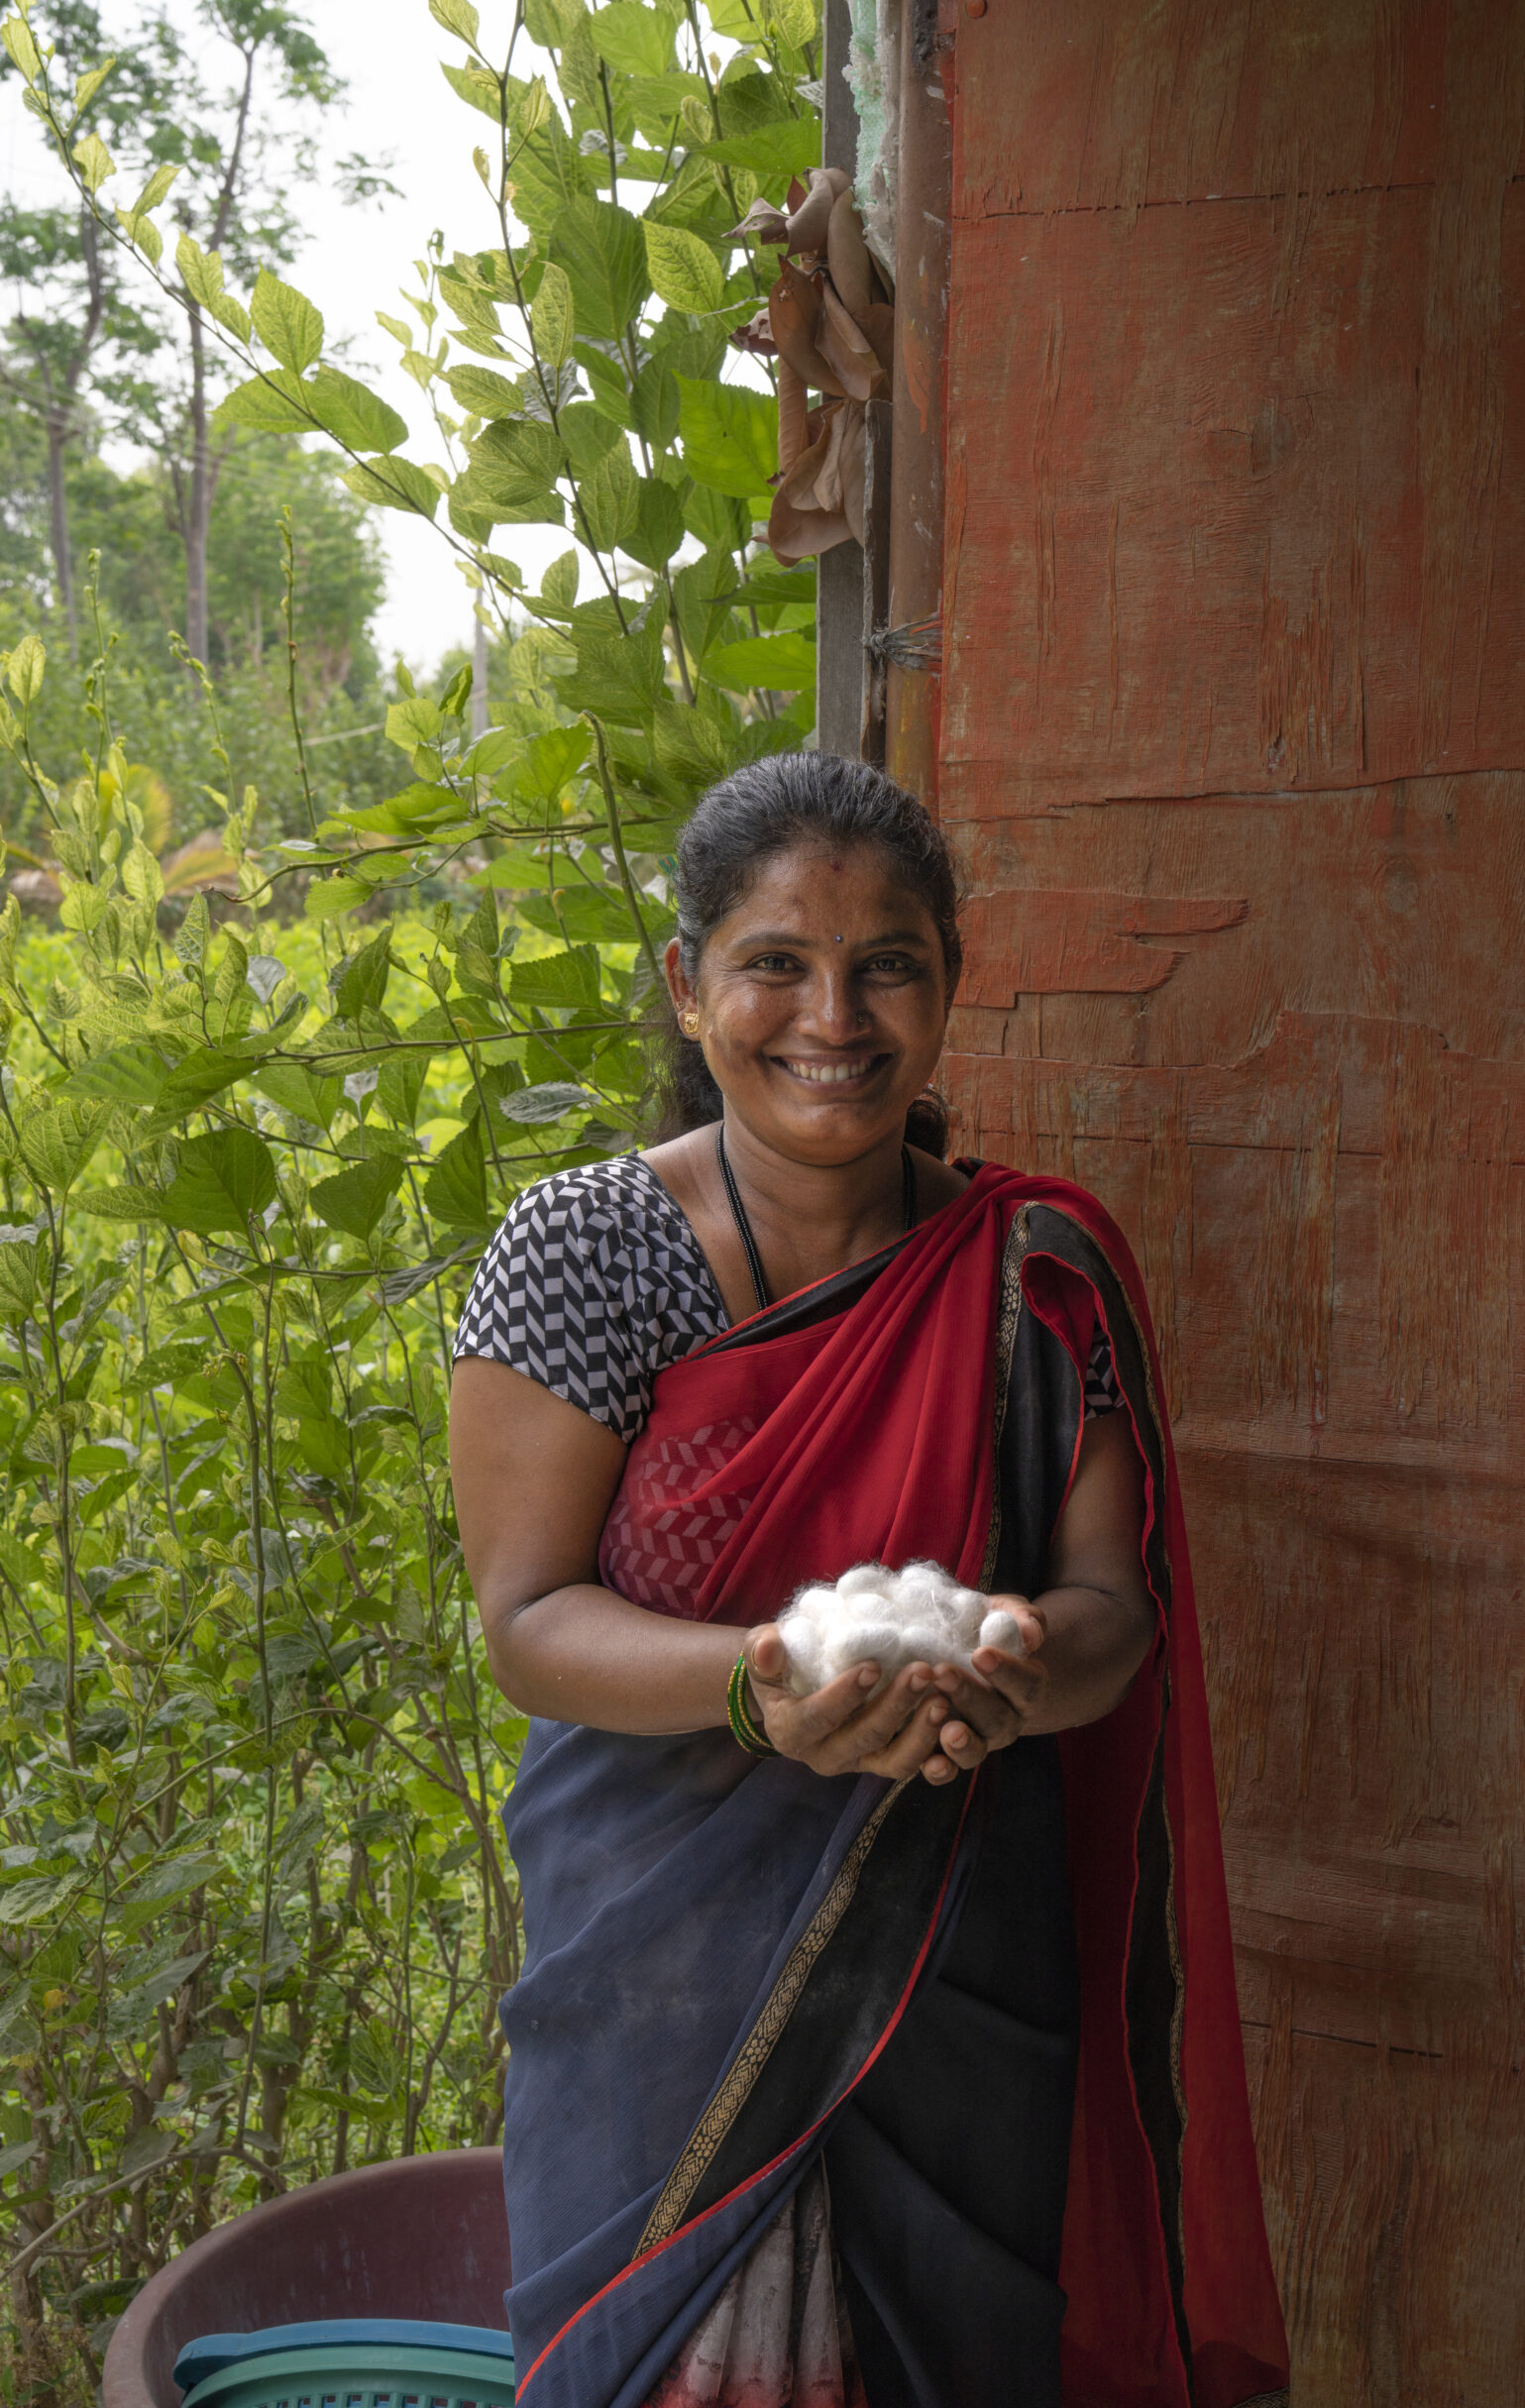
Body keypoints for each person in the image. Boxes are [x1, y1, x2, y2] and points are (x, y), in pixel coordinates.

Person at [450, 754, 1288, 2408]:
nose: (831, 1014)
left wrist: (1022, 1665)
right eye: (775, 962)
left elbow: (1111, 1609)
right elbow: (529, 1626)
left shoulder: (1038, 1275)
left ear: (950, 983)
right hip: (665, 1987)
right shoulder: (584, 1254)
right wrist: (762, 1692)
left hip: (960, 1978)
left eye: (886, 963)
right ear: (691, 988)